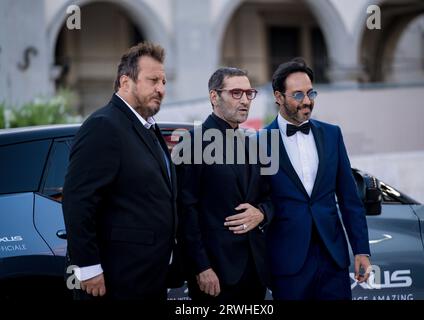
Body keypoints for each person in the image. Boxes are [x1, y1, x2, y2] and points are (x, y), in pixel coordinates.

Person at [62, 42, 177, 299]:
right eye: (153, 80)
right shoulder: (104, 126)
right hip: (116, 279)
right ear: (126, 82)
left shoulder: (147, 127)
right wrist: (88, 268)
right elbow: (78, 201)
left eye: (164, 82)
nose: (161, 89)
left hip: (148, 275)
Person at [264, 58, 371, 300]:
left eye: (311, 92)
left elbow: (349, 198)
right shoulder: (260, 142)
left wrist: (361, 249)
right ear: (278, 97)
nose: (308, 101)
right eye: (298, 95)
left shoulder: (332, 134)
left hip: (333, 259)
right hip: (288, 263)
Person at [176, 67, 273, 302]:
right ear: (214, 96)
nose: (245, 101)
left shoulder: (252, 143)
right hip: (215, 275)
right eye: (236, 93)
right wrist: (202, 268)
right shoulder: (192, 144)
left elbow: (270, 197)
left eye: (249, 94)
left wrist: (261, 214)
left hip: (256, 271)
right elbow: (186, 212)